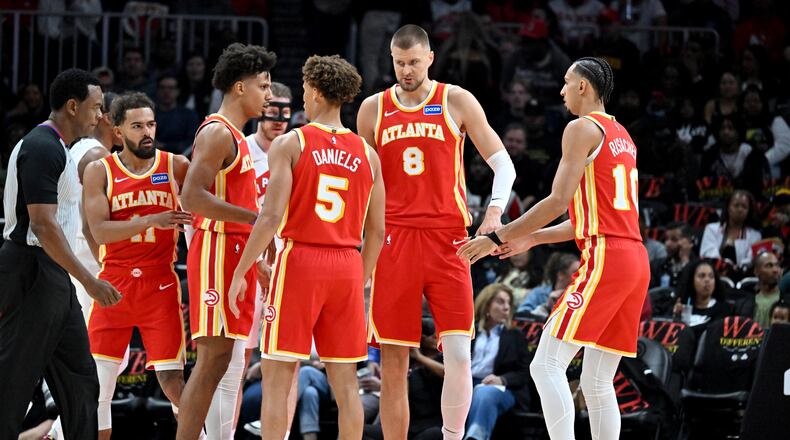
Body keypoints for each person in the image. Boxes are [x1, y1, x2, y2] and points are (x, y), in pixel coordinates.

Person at [458, 57, 650, 440]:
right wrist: (531, 237)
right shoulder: (622, 135)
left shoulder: (581, 128)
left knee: (545, 365)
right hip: (634, 257)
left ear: (583, 86)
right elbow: (588, 218)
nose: (561, 91)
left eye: (566, 83)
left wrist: (497, 235)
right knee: (597, 382)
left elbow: (557, 201)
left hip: (607, 257)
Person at [356, 24, 516, 440]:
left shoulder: (456, 99)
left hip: (449, 240)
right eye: (398, 62)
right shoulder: (373, 108)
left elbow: (504, 164)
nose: (406, 70)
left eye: (413, 62)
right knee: (393, 362)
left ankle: (451, 436)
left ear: (430, 58)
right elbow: (364, 187)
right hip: (394, 239)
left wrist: (494, 213)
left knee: (460, 355)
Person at [228, 54, 386, 440]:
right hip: (348, 262)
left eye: (303, 89)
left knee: (278, 375)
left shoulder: (291, 142)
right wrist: (358, 279)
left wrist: (241, 270)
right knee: (346, 383)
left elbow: (269, 217)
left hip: (300, 260)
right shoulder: (369, 154)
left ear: (314, 91)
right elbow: (378, 232)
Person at [0, 68, 120, 439]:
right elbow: (43, 226)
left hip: (51, 274)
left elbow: (66, 222)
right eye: (96, 107)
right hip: (30, 269)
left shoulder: (59, 148)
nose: (101, 116)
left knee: (81, 379)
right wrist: (89, 280)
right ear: (72, 106)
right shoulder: (42, 147)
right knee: (13, 383)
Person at [176, 43, 276, 440]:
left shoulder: (236, 134)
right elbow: (192, 196)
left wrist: (256, 259)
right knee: (212, 359)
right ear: (239, 87)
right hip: (217, 249)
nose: (268, 95)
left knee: (220, 361)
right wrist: (255, 218)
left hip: (235, 252)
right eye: (263, 86)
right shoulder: (218, 132)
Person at [81, 92, 191, 439]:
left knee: (173, 380)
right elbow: (98, 230)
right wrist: (152, 219)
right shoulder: (100, 170)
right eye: (138, 125)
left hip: (160, 285)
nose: (147, 132)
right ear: (117, 131)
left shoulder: (176, 166)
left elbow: (197, 221)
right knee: (100, 386)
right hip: (113, 284)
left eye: (151, 124)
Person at [237, 81, 300, 437]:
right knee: (238, 359)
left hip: (286, 265)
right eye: (271, 109)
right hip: (246, 262)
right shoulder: (241, 150)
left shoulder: (298, 149)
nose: (278, 118)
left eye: (284, 111)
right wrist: (253, 259)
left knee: (286, 363)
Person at [465, 284, 530, 440]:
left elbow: (524, 373)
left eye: (509, 303)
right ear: (486, 304)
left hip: (501, 388)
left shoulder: (515, 336)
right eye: (500, 302)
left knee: (484, 392)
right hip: (467, 383)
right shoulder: (469, 331)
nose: (506, 308)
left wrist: (501, 379)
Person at [700, 189, 762, 278]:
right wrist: (725, 266)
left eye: (744, 207)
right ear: (728, 208)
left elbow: (750, 260)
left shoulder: (755, 235)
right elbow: (708, 254)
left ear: (749, 211)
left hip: (740, 276)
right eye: (736, 205)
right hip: (713, 274)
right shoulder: (711, 229)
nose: (740, 209)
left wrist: (734, 269)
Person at [734, 251, 790, 328]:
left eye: (777, 265)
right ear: (756, 272)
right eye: (769, 266)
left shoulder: (788, 302)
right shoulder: (741, 305)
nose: (775, 270)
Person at [671, 260, 732, 329]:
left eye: (711, 276)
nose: (707, 280)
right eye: (702, 276)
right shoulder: (682, 307)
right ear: (691, 280)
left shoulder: (723, 309)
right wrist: (676, 317)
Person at [650, 222, 698, 288]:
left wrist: (685, 262)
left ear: (689, 241)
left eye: (674, 239)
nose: (668, 244)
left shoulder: (699, 267)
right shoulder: (656, 266)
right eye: (666, 239)